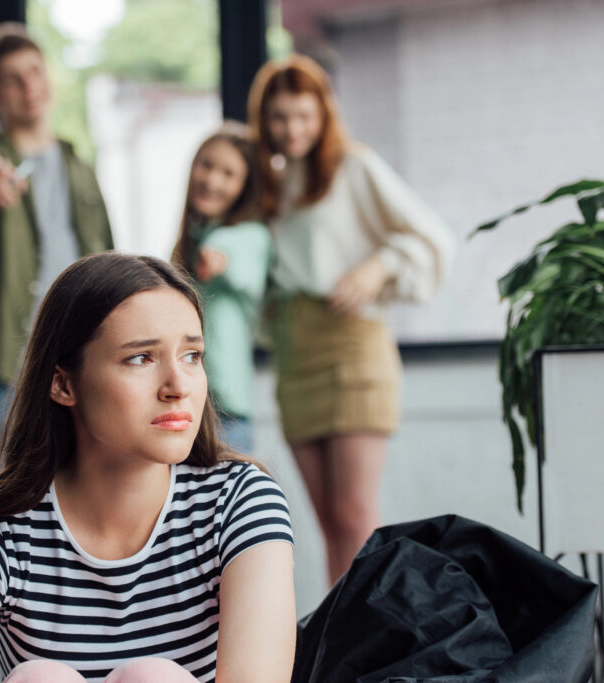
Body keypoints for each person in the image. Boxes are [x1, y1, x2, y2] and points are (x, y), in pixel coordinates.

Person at [0, 253, 296, 683]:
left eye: (192, 355)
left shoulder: (240, 502)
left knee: (152, 680)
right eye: (141, 358)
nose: (178, 386)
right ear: (63, 383)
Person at [247, 55, 454, 585]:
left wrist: (378, 266)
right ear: (263, 120)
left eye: (303, 115)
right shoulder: (267, 185)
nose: (292, 129)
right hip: (296, 357)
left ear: (324, 115)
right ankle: (341, 633)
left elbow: (430, 236)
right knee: (328, 524)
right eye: (279, 117)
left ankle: (365, 632)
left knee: (355, 516)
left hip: (352, 346)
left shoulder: (355, 167)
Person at [0, 23, 113, 471]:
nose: (29, 86)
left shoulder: (78, 164)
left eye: (35, 71)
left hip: (81, 356)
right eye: (12, 79)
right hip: (5, 358)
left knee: (83, 486)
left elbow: (108, 255)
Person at [171, 122, 269, 454]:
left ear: (245, 187)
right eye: (207, 165)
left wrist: (217, 258)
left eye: (228, 174)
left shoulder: (248, 236)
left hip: (225, 417)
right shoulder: (186, 242)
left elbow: (234, 255)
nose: (212, 180)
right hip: (184, 408)